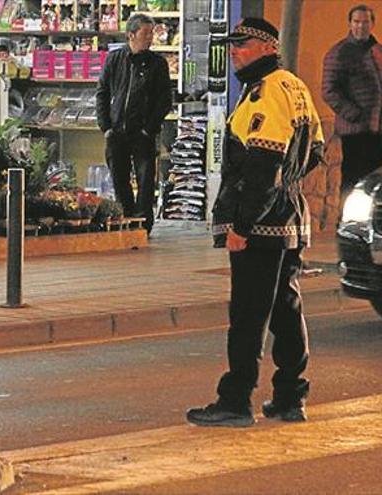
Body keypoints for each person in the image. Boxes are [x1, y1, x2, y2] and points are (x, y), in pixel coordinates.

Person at [186, 18, 325, 427]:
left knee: (248, 314)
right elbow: (315, 150)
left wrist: (242, 225)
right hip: (290, 218)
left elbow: (263, 167)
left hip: (261, 226)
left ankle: (235, 401)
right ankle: (289, 397)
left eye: (242, 44)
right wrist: (288, 187)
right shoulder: (294, 87)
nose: (234, 52)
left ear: (267, 47)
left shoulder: (265, 95)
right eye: (232, 45)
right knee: (285, 308)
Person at [96, 13, 172, 235]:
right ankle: (126, 218)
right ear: (131, 35)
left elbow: (164, 100)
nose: (150, 38)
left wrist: (149, 128)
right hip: (117, 131)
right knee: (119, 179)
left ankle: (143, 224)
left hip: (143, 134)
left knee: (146, 180)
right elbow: (102, 92)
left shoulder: (157, 64)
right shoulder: (115, 59)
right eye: (145, 33)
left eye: (151, 33)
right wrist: (106, 126)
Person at [322, 4, 382, 196]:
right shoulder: (339, 52)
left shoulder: (378, 51)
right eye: (356, 22)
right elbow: (329, 90)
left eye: (365, 22)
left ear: (372, 24)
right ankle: (347, 223)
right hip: (355, 132)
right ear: (350, 24)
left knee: (376, 183)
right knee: (352, 181)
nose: (361, 26)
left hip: (378, 129)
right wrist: (354, 114)